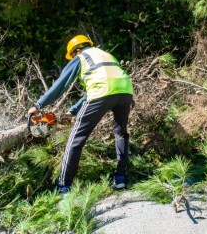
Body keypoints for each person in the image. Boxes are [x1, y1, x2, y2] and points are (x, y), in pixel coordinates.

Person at [27, 35, 134, 193]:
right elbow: (100, 85)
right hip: (126, 92)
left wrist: (39, 104)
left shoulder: (81, 57)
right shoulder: (106, 55)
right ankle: (121, 178)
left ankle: (63, 186)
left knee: (75, 139)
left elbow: (60, 85)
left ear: (77, 50)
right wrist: (73, 111)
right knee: (121, 134)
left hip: (101, 92)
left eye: (73, 55)